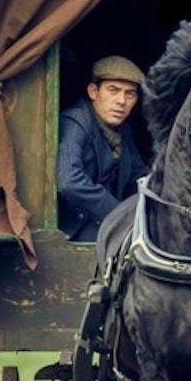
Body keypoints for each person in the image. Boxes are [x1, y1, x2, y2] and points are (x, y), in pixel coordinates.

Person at [56, 55, 149, 242]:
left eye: (130, 94)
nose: (121, 101)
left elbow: (140, 177)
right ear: (93, 91)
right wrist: (119, 215)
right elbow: (68, 181)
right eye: (113, 90)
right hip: (75, 227)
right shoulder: (75, 122)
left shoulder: (124, 131)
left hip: (105, 223)